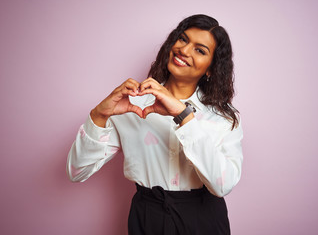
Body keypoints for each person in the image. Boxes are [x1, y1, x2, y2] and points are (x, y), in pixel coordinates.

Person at [67, 14, 244, 235]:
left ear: (210, 69)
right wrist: (98, 115)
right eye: (183, 39)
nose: (185, 50)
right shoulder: (131, 105)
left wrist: (183, 116)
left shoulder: (223, 118)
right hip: (147, 217)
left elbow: (222, 185)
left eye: (200, 50)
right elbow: (76, 171)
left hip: (204, 219)